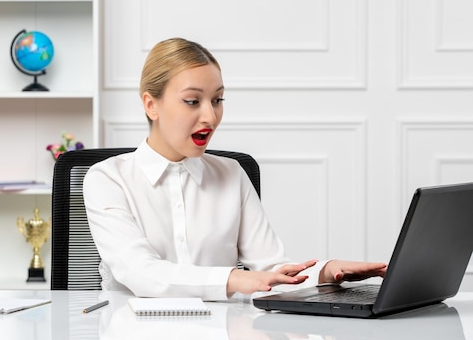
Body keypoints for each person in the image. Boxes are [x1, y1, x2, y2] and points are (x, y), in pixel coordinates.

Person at [83, 37, 387, 301]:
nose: (210, 117)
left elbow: (269, 272)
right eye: (192, 101)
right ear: (151, 105)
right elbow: (140, 272)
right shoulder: (107, 179)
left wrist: (326, 271)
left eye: (217, 100)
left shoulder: (231, 174)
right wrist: (234, 279)